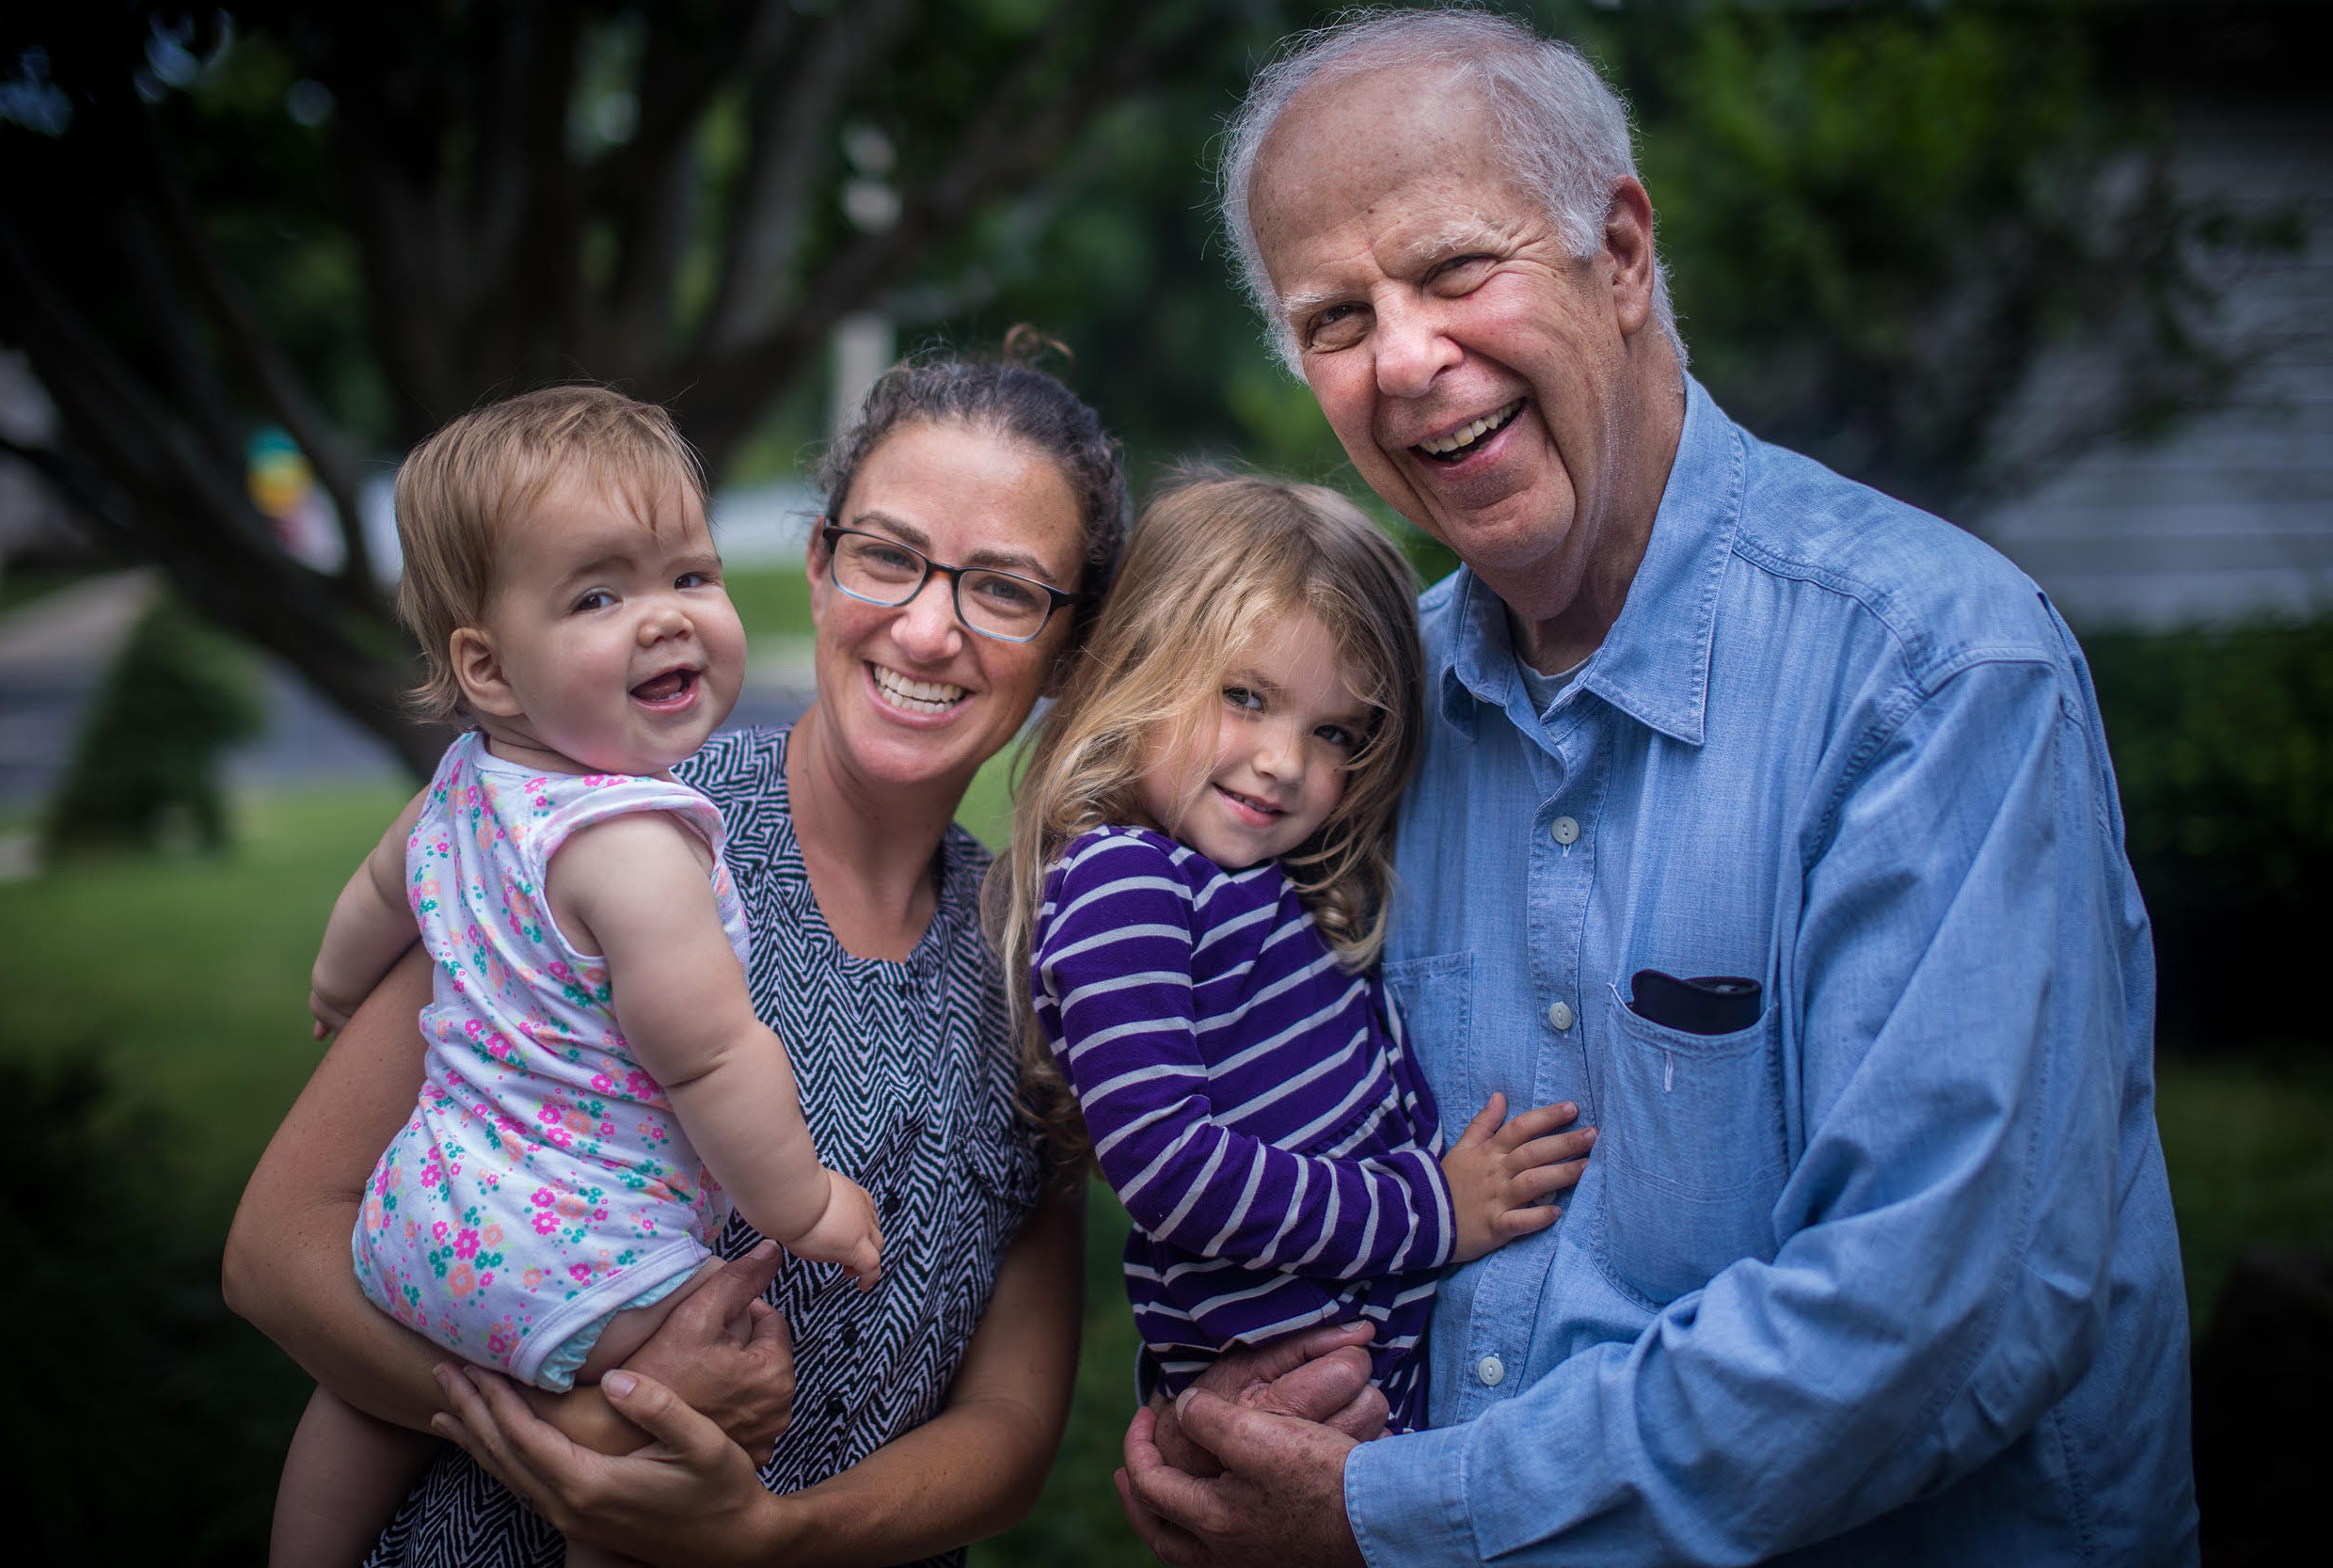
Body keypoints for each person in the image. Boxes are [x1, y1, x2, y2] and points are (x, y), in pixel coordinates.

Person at [1115, 11, 2198, 1565]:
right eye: (1336, 317)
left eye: (1452, 269)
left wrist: (1394, 1514)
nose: (1404, 358)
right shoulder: (1366, 726)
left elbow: (1936, 1313)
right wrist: (1245, 1406)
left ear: (1619, 253)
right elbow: (1279, 1137)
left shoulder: (1936, 671)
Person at [229, 341, 1383, 1568]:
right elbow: (280, 1248)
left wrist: (768, 1533)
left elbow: (1008, 1423)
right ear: (823, 564)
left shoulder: (1043, 958)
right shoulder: (609, 829)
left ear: (1072, 648)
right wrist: (582, 1427)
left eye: (1003, 589)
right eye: (888, 555)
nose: (927, 629)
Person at [270, 387, 886, 1568]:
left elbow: (373, 898)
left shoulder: (460, 786)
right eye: (599, 595)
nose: (664, 618)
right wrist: (804, 1204)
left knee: (354, 1402)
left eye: (689, 575)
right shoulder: (632, 846)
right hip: (580, 1259)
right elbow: (711, 1056)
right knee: (668, 1434)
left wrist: (337, 989)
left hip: (422, 1212)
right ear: (489, 668)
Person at [998, 474, 1595, 1432]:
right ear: (1141, 663)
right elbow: (1173, 1170)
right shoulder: (1124, 882)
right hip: (1295, 1391)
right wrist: (1431, 1211)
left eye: (1332, 732)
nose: (1286, 762)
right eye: (1245, 696)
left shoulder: (1248, 877)